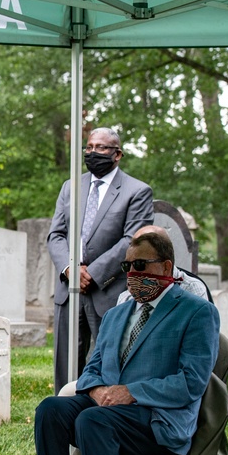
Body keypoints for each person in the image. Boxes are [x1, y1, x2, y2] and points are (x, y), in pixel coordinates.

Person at [32, 231, 220, 455]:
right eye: (127, 267)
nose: (132, 274)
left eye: (141, 265)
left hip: (158, 417)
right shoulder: (116, 315)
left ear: (167, 267)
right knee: (51, 410)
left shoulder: (196, 312)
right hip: (109, 407)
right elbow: (93, 366)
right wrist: (97, 389)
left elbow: (191, 383)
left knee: (94, 421)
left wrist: (130, 392)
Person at [47, 127, 154, 394]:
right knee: (67, 361)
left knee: (109, 360)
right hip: (68, 289)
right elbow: (56, 235)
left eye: (101, 148)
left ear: (117, 154)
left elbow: (132, 240)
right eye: (89, 147)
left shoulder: (137, 191)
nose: (93, 152)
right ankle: (63, 412)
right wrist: (71, 269)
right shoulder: (71, 186)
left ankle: (99, 415)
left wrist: (92, 273)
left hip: (108, 290)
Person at [115, 225, 212, 305]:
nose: (131, 272)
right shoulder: (125, 298)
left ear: (166, 267)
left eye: (139, 264)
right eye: (126, 265)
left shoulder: (192, 289)